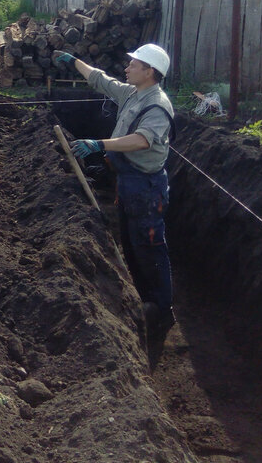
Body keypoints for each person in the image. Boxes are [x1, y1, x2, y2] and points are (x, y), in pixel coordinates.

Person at [55, 44, 176, 341]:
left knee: (150, 247)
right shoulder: (134, 94)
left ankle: (161, 309)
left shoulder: (157, 105)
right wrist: (75, 62)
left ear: (149, 72)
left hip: (147, 187)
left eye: (133, 65)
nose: (127, 68)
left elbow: (142, 140)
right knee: (132, 244)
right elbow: (102, 80)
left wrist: (100, 144)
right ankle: (141, 298)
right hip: (128, 181)